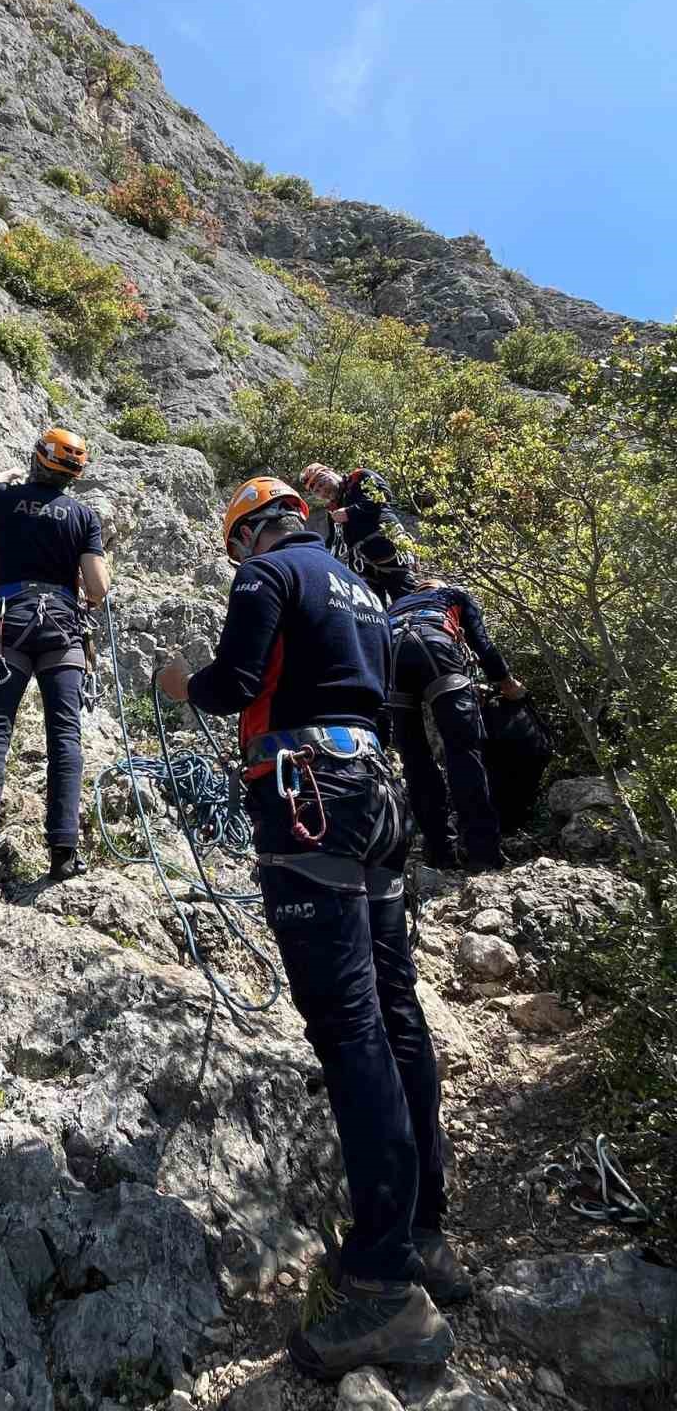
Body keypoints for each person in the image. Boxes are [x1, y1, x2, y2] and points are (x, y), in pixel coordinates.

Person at [158, 476, 465, 1381]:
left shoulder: (268, 575)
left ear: (250, 532)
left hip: (308, 802)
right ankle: (424, 1232)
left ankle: (382, 1285)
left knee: (350, 1028)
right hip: (374, 799)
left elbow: (234, 684)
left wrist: (180, 684)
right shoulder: (361, 586)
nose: (238, 558)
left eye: (235, 545)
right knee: (396, 1012)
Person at [0, 427, 110, 885]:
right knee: (65, 737)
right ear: (74, 475)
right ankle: (63, 853)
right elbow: (98, 588)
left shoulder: (6, 498)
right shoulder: (83, 516)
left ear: (38, 460)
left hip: (9, 623)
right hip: (62, 627)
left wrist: (7, 475)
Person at [387, 577, 526, 873]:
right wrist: (507, 683)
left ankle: (440, 853)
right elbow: (482, 645)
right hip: (435, 645)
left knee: (415, 760)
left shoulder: (395, 607)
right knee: (462, 751)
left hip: (392, 658)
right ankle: (482, 854)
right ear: (440, 586)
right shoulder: (453, 595)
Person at [300, 463, 418, 603]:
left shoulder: (360, 477)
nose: (322, 491)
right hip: (362, 564)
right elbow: (332, 541)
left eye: (321, 483)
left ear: (330, 473)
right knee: (372, 610)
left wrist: (350, 512)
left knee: (406, 600)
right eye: (317, 491)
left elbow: (383, 496)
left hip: (389, 550)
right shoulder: (333, 509)